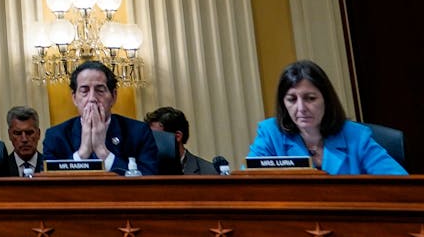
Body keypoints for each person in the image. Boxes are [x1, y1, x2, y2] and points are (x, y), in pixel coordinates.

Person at [248, 60, 404, 175]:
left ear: (326, 100)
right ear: (283, 104)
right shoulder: (270, 134)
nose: (301, 108)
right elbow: (248, 185)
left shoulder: (356, 136)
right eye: (292, 99)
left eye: (310, 98)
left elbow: (398, 184)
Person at [43, 61, 158, 174]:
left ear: (113, 96)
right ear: (74, 98)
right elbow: (50, 185)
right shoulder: (55, 136)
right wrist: (82, 154)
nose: (92, 98)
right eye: (84, 91)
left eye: (100, 90)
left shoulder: (139, 132)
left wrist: (102, 151)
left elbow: (148, 181)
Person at [145, 106, 215, 175]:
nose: (148, 142)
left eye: (154, 136)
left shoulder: (209, 172)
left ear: (177, 136)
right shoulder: (143, 170)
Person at [6, 105, 44, 176]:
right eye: (18, 133)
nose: (24, 139)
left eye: (29, 133)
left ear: (38, 134)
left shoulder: (50, 167)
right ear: (10, 135)